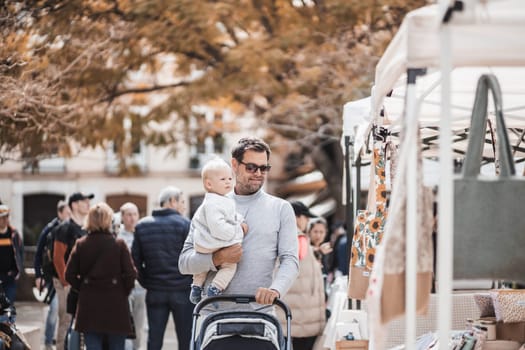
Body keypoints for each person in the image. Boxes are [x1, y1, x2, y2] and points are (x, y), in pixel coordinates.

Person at [179, 136, 299, 306]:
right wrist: (216, 259)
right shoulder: (210, 205)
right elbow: (184, 263)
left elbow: (290, 260)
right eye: (251, 167)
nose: (258, 173)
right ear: (234, 165)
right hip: (213, 317)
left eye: (264, 168)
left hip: (260, 315)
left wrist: (275, 290)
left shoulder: (281, 208)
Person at [66, 202, 136, 350]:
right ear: (109, 220)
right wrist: (122, 291)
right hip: (116, 306)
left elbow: (69, 275)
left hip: (89, 305)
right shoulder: (119, 244)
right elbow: (131, 274)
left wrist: (83, 287)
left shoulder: (81, 244)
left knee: (92, 346)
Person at [132, 186, 193, 350]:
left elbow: (135, 261)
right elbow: (194, 258)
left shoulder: (141, 226)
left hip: (155, 291)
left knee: (154, 339)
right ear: (172, 201)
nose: (184, 206)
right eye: (181, 202)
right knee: (185, 340)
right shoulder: (186, 224)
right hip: (183, 291)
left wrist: (147, 282)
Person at [189, 157, 248, 304]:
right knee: (230, 266)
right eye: (223, 179)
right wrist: (238, 229)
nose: (228, 182)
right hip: (212, 242)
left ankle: (196, 286)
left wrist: (239, 219)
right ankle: (215, 289)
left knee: (202, 267)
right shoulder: (213, 203)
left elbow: (231, 216)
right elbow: (219, 228)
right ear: (209, 184)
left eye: (230, 178)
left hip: (204, 244)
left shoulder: (220, 200)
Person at [278, 201, 326, 350]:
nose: (307, 222)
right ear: (298, 218)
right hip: (302, 317)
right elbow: (300, 258)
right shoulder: (299, 239)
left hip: (296, 314)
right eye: (306, 218)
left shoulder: (282, 236)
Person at [53, 192, 93, 350]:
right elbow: (57, 258)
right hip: (67, 283)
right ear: (74, 205)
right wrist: (66, 282)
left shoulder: (87, 227)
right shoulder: (65, 228)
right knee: (66, 321)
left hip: (83, 284)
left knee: (82, 322)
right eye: (84, 201)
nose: (88, 204)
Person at [33, 200, 71, 350]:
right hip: (53, 276)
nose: (69, 216)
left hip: (67, 276)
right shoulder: (50, 229)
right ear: (60, 213)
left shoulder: (72, 228)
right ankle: (49, 341)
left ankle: (61, 339)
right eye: (67, 213)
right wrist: (38, 275)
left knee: (65, 311)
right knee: (55, 308)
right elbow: (38, 253)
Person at [117, 202, 146, 350]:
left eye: (135, 214)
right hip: (123, 289)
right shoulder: (117, 237)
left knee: (139, 326)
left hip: (140, 287)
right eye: (129, 214)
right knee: (123, 324)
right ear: (122, 217)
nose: (132, 218)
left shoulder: (143, 234)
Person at [0, 204, 23, 304]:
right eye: (2, 217)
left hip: (10, 277)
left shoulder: (14, 234)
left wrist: (17, 270)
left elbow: (20, 252)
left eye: (7, 217)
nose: (5, 220)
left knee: (8, 306)